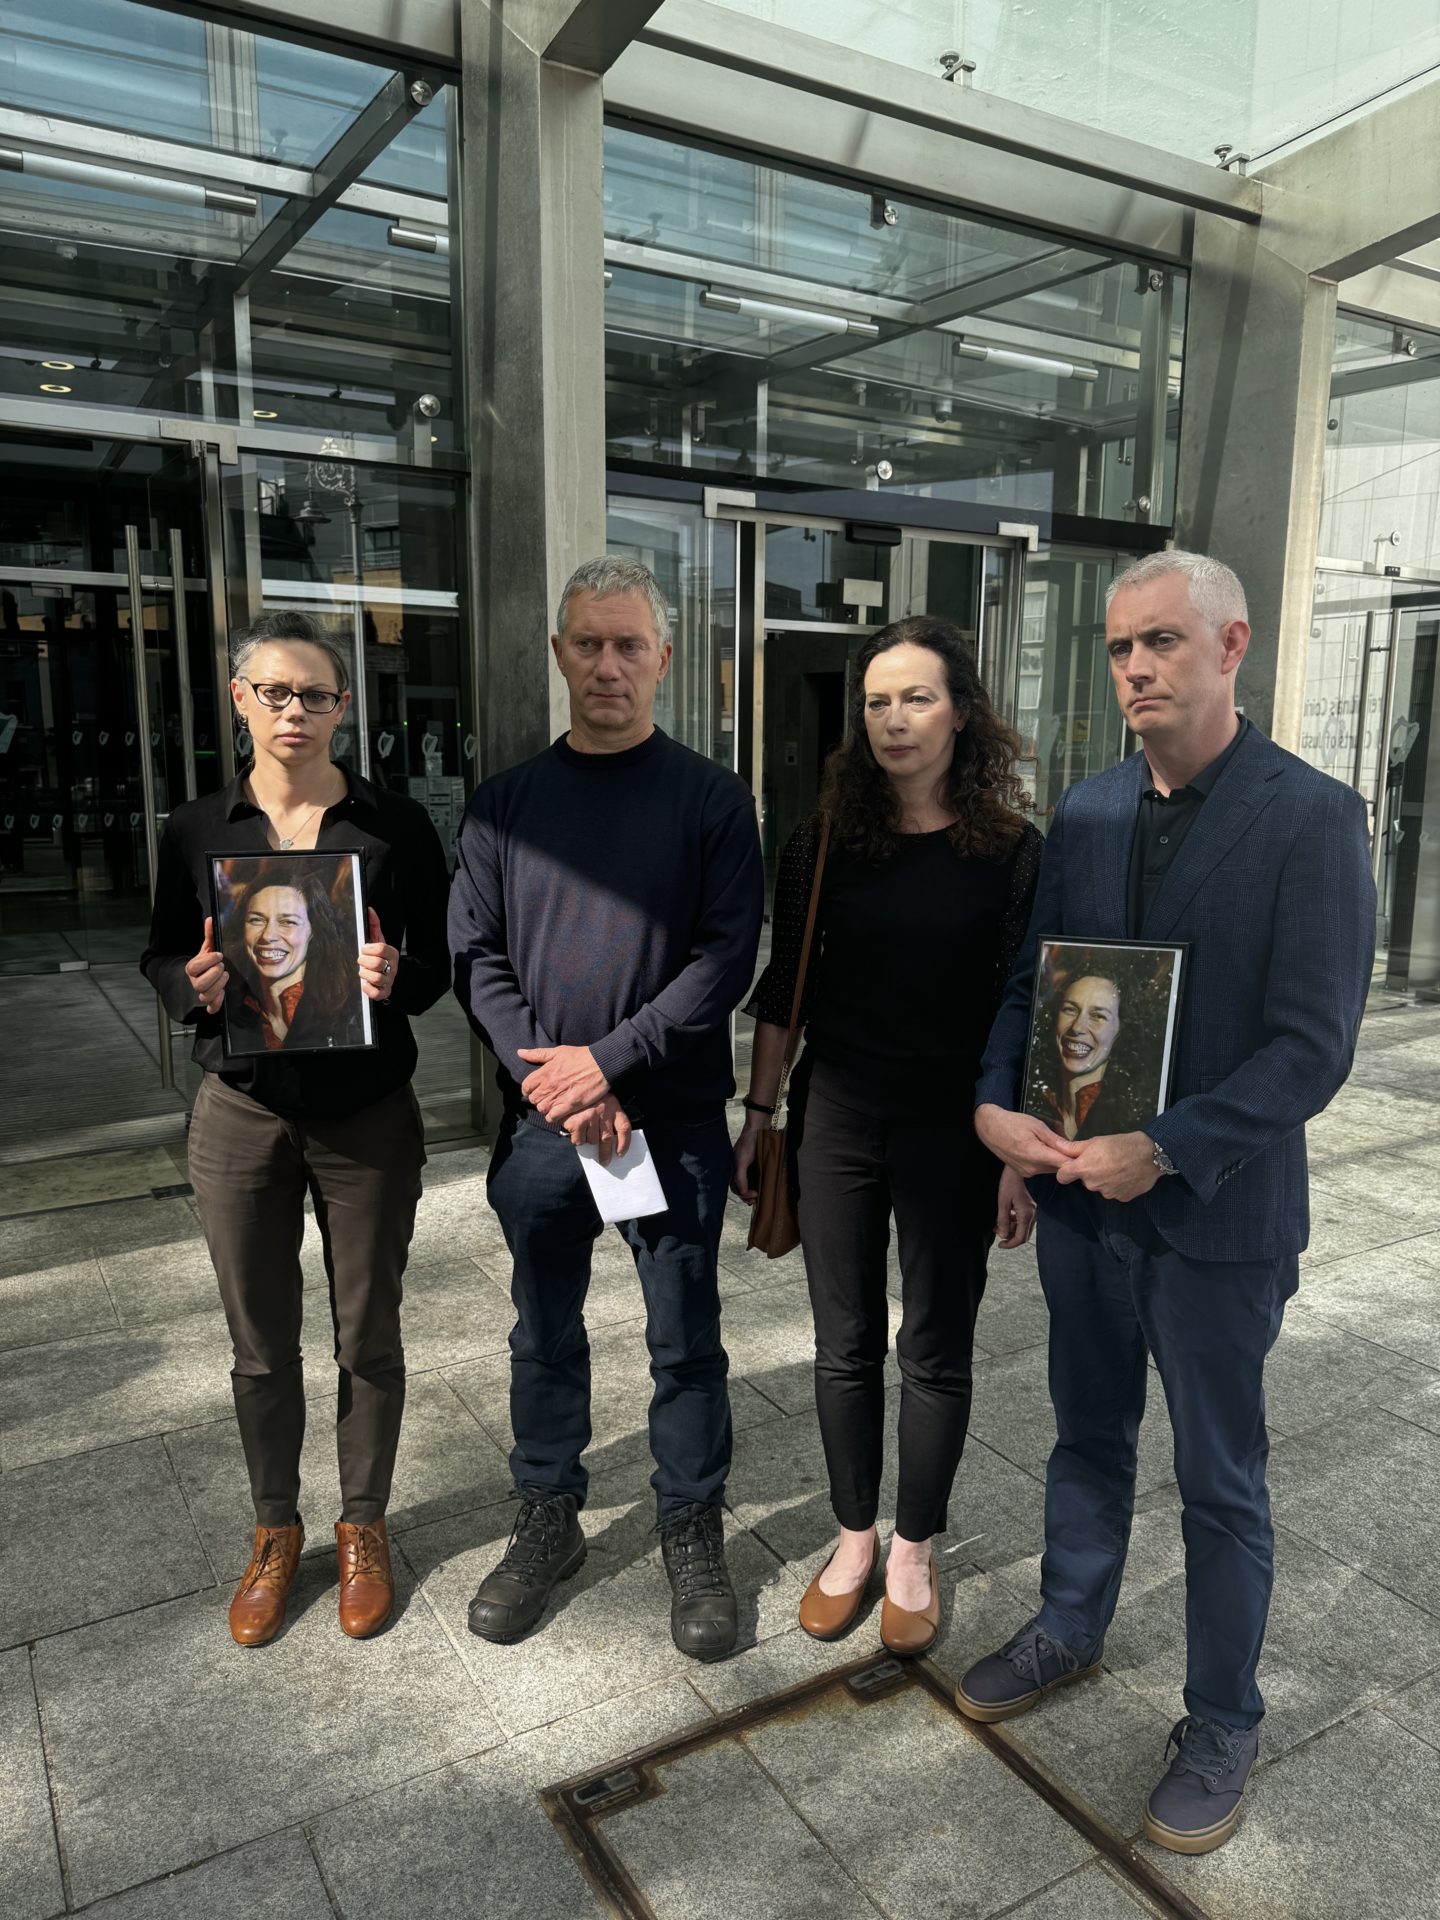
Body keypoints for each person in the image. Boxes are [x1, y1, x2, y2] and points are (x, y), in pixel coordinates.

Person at [957, 552, 1375, 1855]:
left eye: (1161, 644)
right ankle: (1071, 1622)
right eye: (1119, 646)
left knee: (1218, 1479)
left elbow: (1315, 1046)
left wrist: (1171, 1146)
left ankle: (1223, 1714)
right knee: (1084, 1437)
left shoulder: (1310, 819)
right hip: (1084, 1210)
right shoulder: (1082, 816)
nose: (1135, 667)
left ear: (1231, 645)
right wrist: (997, 1114)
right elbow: (1036, 991)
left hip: (1216, 1222)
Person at [449, 555, 763, 1661]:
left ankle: (690, 1521)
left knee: (685, 1340)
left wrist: (611, 1066)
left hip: (668, 1126)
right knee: (543, 1332)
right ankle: (548, 1515)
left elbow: (725, 961)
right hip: (544, 1129)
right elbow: (475, 957)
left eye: (630, 645)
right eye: (589, 643)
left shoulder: (715, 802)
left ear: (664, 659)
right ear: (558, 653)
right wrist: (557, 1082)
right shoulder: (504, 807)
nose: (609, 665)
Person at [141, 610, 451, 1647]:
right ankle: (276, 1528)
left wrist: (397, 979)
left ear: (342, 707)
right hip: (241, 1111)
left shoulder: (394, 826)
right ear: (241, 701)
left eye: (315, 694)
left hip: (366, 1114)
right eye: (274, 691)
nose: (294, 711)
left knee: (368, 1331)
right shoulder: (197, 830)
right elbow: (155, 955)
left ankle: (362, 1523)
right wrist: (188, 988)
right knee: (259, 1345)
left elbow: (442, 963)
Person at [734, 616, 1041, 1657]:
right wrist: (761, 1113)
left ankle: (914, 1549)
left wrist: (1015, 1153)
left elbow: (1025, 1006)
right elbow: (786, 988)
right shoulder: (822, 842)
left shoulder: (1011, 851)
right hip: (839, 1116)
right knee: (845, 1341)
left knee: (936, 1346)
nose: (894, 719)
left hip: (958, 1124)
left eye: (916, 697)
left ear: (963, 710)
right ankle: (854, 1538)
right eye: (876, 702)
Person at [221, 862, 367, 1052]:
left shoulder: (349, 1010)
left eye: (287, 921)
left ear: (313, 930)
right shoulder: (232, 1004)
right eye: (256, 920)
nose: (268, 936)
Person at [1028, 954, 1160, 1142]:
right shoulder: (1033, 1099)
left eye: (1098, 1016)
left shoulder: (1135, 1125)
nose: (1077, 1027)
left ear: (1121, 1031)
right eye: (1070, 1009)